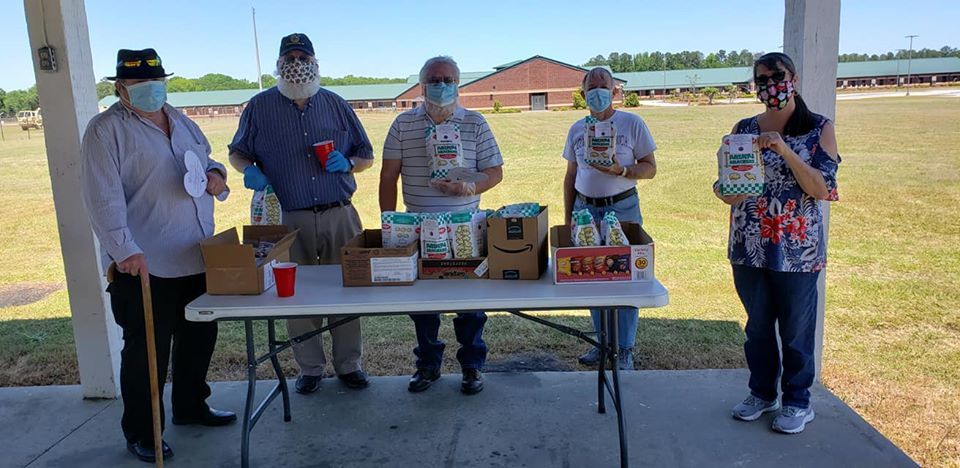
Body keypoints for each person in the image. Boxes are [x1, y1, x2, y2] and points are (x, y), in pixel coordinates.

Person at [80, 48, 236, 463]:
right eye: (141, 85)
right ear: (121, 89)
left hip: (195, 254)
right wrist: (125, 250)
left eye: (157, 82)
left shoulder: (181, 120)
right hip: (145, 263)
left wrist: (217, 174)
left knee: (199, 338)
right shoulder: (105, 131)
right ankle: (144, 431)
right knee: (147, 352)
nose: (153, 91)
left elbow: (206, 160)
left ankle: (191, 406)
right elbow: (102, 196)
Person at [228, 33, 374, 394]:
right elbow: (237, 152)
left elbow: (367, 154)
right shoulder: (259, 107)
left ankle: (349, 365)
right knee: (293, 294)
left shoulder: (336, 104)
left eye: (303, 57)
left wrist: (350, 164)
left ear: (315, 62)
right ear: (278, 65)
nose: (297, 63)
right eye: (289, 57)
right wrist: (248, 169)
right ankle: (310, 367)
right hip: (287, 217)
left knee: (346, 289)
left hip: (339, 213)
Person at [716, 52, 840, 434]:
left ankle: (798, 402)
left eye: (777, 76)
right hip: (750, 246)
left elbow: (823, 188)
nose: (771, 84)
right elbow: (726, 188)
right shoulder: (743, 127)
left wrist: (783, 149)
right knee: (757, 329)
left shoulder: (818, 128)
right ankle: (762, 392)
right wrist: (727, 190)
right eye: (762, 78)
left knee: (796, 331)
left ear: (794, 78)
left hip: (797, 251)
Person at [379, 56, 504, 395]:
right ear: (422, 86)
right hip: (417, 226)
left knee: (471, 305)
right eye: (434, 79)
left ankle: (472, 366)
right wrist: (388, 224)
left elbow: (495, 172)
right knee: (422, 306)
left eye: (448, 79)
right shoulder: (403, 124)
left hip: (466, 227)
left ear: (458, 83)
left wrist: (470, 187)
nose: (441, 84)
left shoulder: (475, 123)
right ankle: (428, 364)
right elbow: (388, 176)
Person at [563, 67, 658, 370]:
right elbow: (571, 175)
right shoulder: (577, 129)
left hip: (622, 209)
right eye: (592, 87)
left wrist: (623, 171)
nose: (598, 92)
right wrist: (569, 218)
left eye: (604, 86)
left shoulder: (632, 123)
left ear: (615, 90)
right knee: (592, 277)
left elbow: (650, 168)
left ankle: (625, 349)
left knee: (626, 278)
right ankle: (603, 345)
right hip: (585, 211)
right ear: (583, 93)